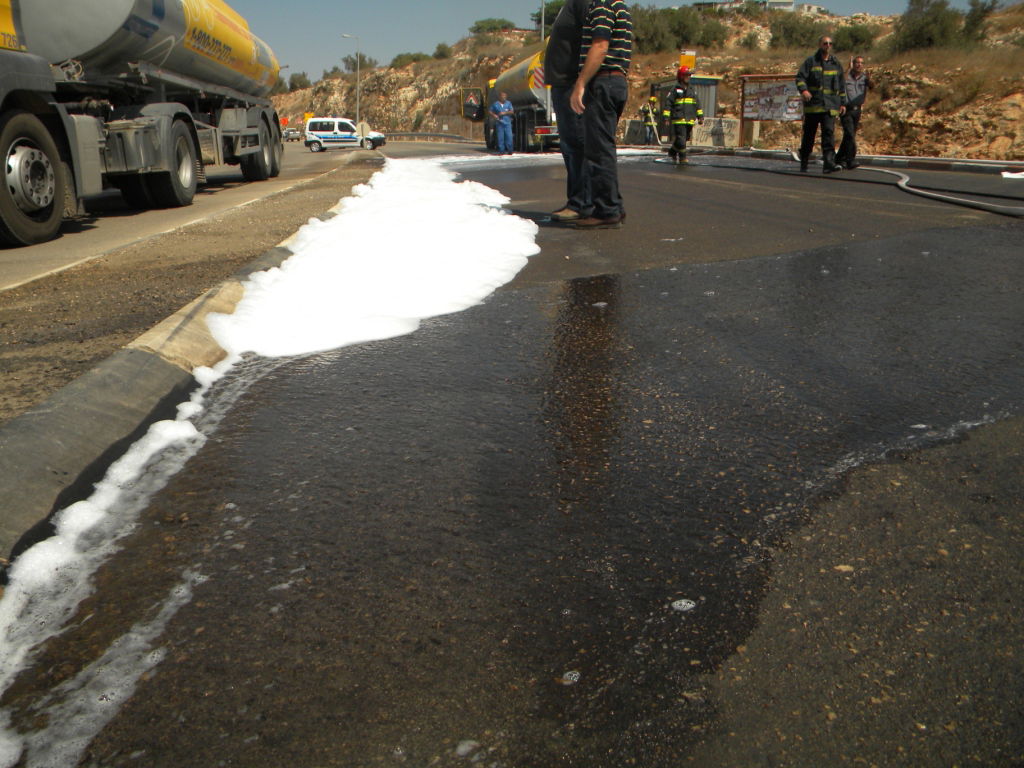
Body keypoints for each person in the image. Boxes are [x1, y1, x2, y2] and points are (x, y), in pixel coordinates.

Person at [569, 0, 633, 229]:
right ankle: (612, 206)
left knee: (598, 150)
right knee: (604, 147)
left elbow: (600, 46)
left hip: (603, 81)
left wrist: (581, 83)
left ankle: (607, 211)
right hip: (615, 81)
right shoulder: (619, 5)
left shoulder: (603, 5)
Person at [544, 0, 592, 222]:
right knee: (570, 147)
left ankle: (582, 203)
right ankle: (577, 201)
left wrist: (580, 83)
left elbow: (593, 39)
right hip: (563, 85)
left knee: (577, 145)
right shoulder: (571, 4)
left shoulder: (582, 3)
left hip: (571, 84)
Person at [795, 35, 846, 174]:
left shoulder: (836, 63)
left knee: (828, 135)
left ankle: (829, 164)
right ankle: (804, 160)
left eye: (830, 43)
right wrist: (804, 90)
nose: (828, 45)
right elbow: (800, 78)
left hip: (830, 107)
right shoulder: (811, 62)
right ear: (820, 45)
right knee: (809, 136)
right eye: (825, 43)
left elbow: (841, 85)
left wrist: (842, 103)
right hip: (813, 106)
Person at [835, 55, 871, 170]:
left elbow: (873, 86)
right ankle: (850, 160)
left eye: (861, 63)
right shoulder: (847, 76)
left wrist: (870, 80)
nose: (859, 65)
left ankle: (840, 158)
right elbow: (841, 81)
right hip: (846, 109)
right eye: (857, 62)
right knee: (849, 134)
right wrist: (848, 69)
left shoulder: (864, 77)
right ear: (853, 64)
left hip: (857, 110)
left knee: (849, 136)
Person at [662, 66, 703, 164]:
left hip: (689, 119)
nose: (688, 77)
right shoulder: (675, 90)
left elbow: (697, 104)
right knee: (681, 138)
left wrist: (700, 116)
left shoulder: (692, 90)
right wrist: (666, 117)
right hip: (679, 119)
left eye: (689, 75)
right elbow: (668, 103)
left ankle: (672, 151)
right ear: (681, 76)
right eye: (686, 75)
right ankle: (683, 158)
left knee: (685, 138)